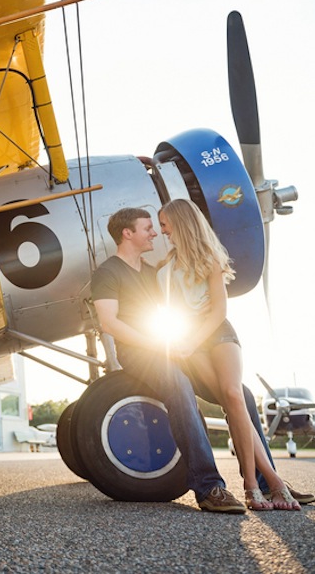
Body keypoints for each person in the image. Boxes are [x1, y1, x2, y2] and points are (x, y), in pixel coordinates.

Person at [91, 207, 245, 514]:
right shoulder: (107, 272)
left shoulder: (153, 273)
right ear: (127, 233)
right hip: (139, 352)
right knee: (179, 384)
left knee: (240, 394)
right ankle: (208, 487)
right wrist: (159, 344)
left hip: (169, 346)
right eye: (147, 227)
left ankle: (269, 482)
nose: (155, 232)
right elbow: (109, 323)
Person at [156, 198, 299, 510]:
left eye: (164, 223)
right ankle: (271, 482)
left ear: (181, 222)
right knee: (228, 400)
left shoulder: (211, 257)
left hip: (218, 332)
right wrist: (186, 342)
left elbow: (218, 310)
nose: (162, 229)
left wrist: (194, 340)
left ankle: (254, 484)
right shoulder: (164, 270)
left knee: (234, 394)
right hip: (189, 342)